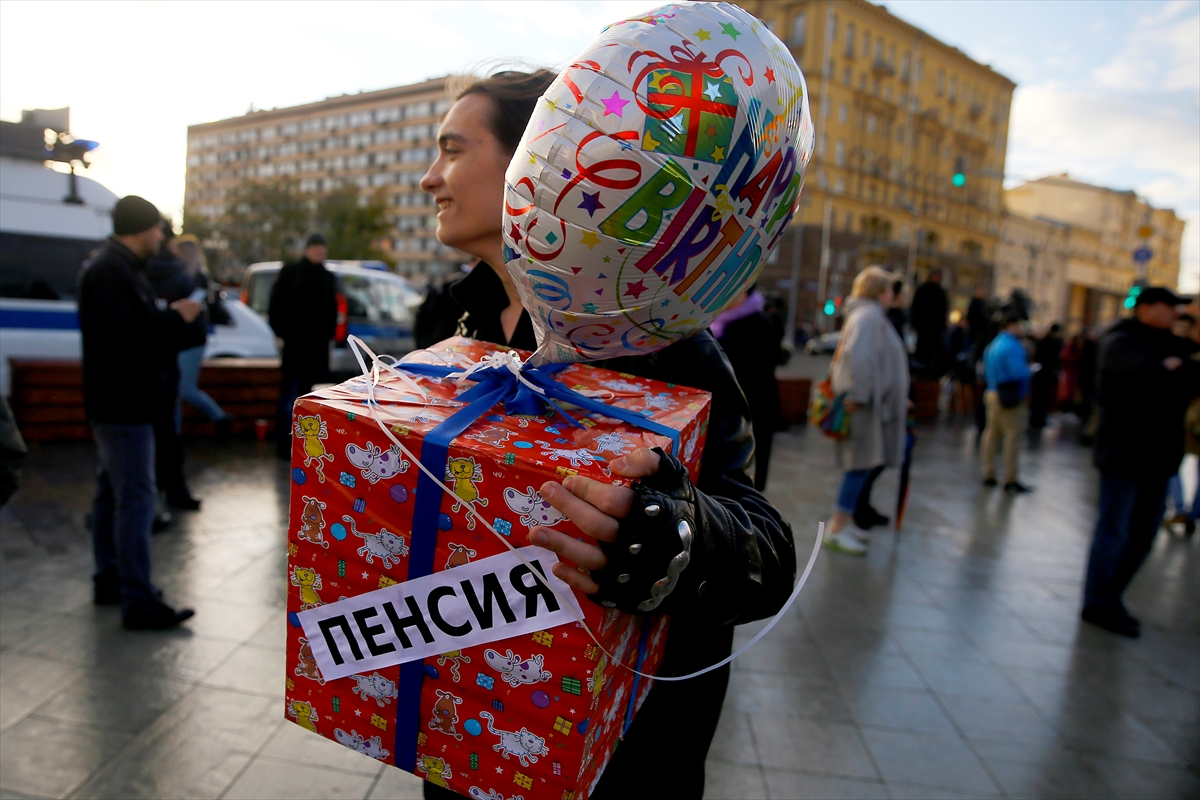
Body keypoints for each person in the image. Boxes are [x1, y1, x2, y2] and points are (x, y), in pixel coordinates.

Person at [417, 69, 795, 800]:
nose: (431, 177)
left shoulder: (656, 333)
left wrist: (668, 535)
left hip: (620, 760)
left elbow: (768, 555)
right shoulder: (452, 324)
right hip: (467, 738)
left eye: (452, 150)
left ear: (537, 159)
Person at [78, 195, 201, 630]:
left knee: (112, 492)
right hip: (124, 403)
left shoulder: (115, 268)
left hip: (117, 400)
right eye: (156, 230)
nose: (160, 238)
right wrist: (177, 317)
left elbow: (127, 330)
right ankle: (138, 599)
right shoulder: (111, 272)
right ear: (140, 228)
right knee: (136, 499)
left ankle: (110, 579)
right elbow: (127, 338)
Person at [1082, 287, 1200, 636]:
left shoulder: (1170, 344)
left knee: (1143, 535)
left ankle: (1111, 596)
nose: (1174, 314)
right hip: (1124, 453)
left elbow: (1191, 376)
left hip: (1160, 456)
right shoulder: (1121, 341)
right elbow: (1149, 378)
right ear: (1146, 308)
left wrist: (1176, 368)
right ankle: (1097, 601)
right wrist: (1170, 372)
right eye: (1169, 307)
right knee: (1115, 530)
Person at [819, 266, 910, 554]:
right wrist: (860, 395)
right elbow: (862, 359)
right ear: (881, 291)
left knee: (862, 464)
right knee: (859, 466)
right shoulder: (869, 317)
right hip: (865, 407)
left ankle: (844, 524)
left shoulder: (867, 316)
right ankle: (837, 528)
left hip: (869, 404)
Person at [146, 222, 204, 510]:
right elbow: (193, 325)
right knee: (167, 436)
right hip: (165, 367)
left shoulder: (137, 271)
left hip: (144, 371)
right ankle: (173, 494)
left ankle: (158, 500)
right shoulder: (179, 274)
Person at [269, 233, 338, 459]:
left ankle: (300, 442)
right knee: (289, 393)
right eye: (316, 247)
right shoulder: (291, 273)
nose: (319, 251)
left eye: (322, 247)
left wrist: (328, 335)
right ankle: (283, 442)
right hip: (295, 345)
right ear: (308, 249)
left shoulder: (327, 277)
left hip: (315, 347)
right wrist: (287, 332)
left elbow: (332, 311)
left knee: (306, 396)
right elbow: (277, 307)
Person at [713, 286, 785, 491]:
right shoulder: (717, 322)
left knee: (744, 479)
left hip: (751, 410)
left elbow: (762, 372)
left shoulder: (759, 323)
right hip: (722, 410)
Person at [174, 234, 233, 440]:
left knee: (183, 389)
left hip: (188, 340)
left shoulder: (187, 278)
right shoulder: (201, 277)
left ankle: (219, 417)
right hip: (194, 339)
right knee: (181, 389)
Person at [980, 311, 1033, 492]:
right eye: (1020, 325)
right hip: (1009, 395)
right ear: (1012, 325)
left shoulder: (994, 344)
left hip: (992, 391)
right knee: (1012, 436)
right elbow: (1017, 372)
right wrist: (1031, 370)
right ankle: (1010, 478)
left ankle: (989, 473)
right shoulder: (1012, 346)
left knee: (991, 435)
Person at [910, 268, 948, 374]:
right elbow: (916, 308)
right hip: (924, 329)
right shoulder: (923, 290)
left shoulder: (940, 292)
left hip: (934, 331)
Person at [1029, 322, 1064, 432]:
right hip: (1047, 374)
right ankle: (1040, 419)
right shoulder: (1056, 343)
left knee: (1038, 397)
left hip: (1040, 374)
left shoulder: (1043, 341)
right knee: (1044, 398)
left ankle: (1034, 418)